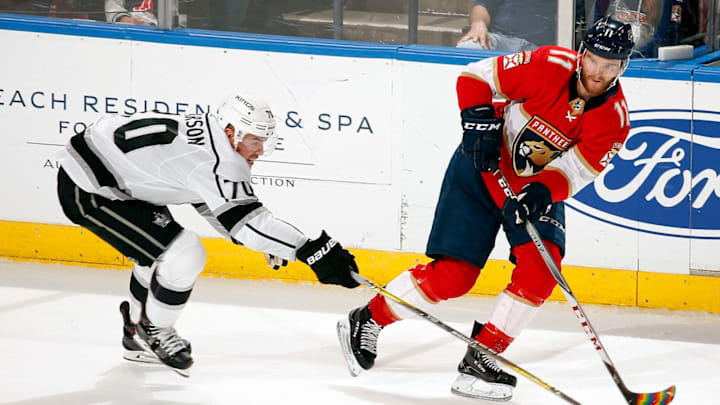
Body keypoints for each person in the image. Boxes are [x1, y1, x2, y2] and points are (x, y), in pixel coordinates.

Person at [338, 16, 634, 401]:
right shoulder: (548, 64)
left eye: (610, 66)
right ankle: (367, 320)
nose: (598, 72)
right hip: (483, 168)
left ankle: (482, 356)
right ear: (582, 53)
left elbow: (579, 168)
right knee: (454, 277)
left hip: (532, 189)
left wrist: (543, 191)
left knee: (541, 273)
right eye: (594, 60)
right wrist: (477, 123)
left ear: (623, 66)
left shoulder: (615, 119)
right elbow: (475, 76)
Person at [56, 94, 361, 376]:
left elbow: (210, 201)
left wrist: (265, 241)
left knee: (158, 255)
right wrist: (312, 251)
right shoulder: (220, 161)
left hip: (122, 177)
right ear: (231, 132)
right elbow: (250, 225)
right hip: (90, 188)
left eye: (264, 141)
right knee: (183, 252)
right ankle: (155, 331)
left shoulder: (210, 137)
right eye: (254, 140)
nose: (259, 150)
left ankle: (136, 335)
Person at [457, 0, 558, 51]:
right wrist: (478, 23)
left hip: (542, 50)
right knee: (467, 47)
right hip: (502, 40)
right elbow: (481, 6)